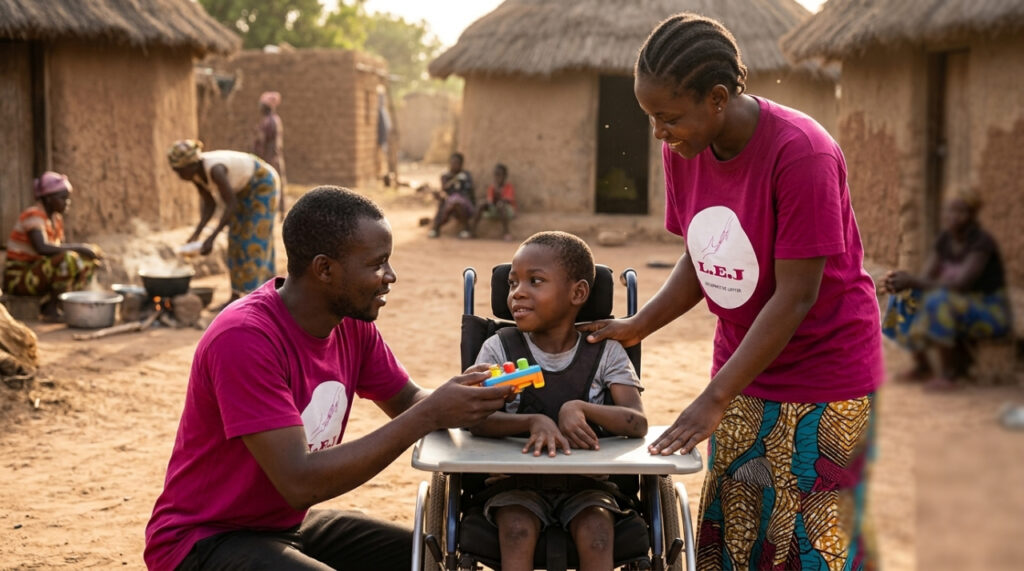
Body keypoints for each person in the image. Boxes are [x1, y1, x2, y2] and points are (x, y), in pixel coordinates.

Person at [580, 14, 883, 570]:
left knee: (813, 542)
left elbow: (796, 296)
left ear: (717, 98)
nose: (658, 134)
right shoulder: (684, 152)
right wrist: (639, 324)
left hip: (823, 372)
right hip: (745, 364)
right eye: (651, 118)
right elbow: (702, 256)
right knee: (738, 535)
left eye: (668, 118)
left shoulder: (801, 154)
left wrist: (714, 397)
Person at [144, 186, 513, 571]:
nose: (390, 276)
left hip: (282, 526)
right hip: (202, 540)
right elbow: (299, 482)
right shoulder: (244, 338)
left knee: (427, 560)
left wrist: (472, 397)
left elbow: (409, 401)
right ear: (324, 269)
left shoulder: (350, 325)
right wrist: (430, 415)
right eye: (376, 264)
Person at [469, 231, 646, 571]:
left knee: (597, 531)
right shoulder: (499, 348)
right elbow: (475, 419)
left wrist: (579, 408)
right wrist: (532, 421)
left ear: (578, 293)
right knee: (517, 529)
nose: (518, 292)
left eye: (535, 281)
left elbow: (637, 424)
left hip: (588, 484)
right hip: (514, 483)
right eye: (512, 283)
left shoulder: (606, 352)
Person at [881, 188, 1012, 390]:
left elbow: (960, 284)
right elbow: (924, 279)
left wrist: (911, 280)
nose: (953, 216)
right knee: (907, 296)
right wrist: (904, 282)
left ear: (972, 214)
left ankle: (950, 375)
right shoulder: (945, 240)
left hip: (989, 310)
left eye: (961, 211)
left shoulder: (981, 242)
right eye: (949, 211)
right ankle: (923, 365)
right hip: (959, 304)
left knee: (938, 300)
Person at [167, 139, 279, 308]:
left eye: (179, 170)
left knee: (253, 240)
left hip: (262, 183)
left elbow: (231, 205)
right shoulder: (196, 175)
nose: (178, 175)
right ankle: (236, 296)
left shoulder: (215, 170)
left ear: (190, 165)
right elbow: (210, 205)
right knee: (234, 239)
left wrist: (212, 237)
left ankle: (258, 298)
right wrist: (197, 234)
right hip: (240, 190)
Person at [2, 171, 103, 322]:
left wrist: (87, 253)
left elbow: (58, 249)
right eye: (63, 198)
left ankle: (64, 304)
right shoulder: (33, 215)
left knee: (88, 261)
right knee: (69, 259)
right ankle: (51, 309)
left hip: (37, 272)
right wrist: (80, 247)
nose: (67, 202)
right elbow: (42, 248)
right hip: (19, 278)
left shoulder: (56, 219)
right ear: (48, 199)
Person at [253, 91, 287, 215]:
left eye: (261, 105)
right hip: (273, 157)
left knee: (272, 183)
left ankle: (275, 212)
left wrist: (264, 158)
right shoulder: (272, 120)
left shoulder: (270, 122)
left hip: (270, 158)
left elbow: (265, 143)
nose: (259, 108)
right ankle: (279, 211)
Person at [428, 152, 475, 239]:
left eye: (457, 163)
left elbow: (469, 191)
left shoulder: (465, 176)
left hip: (464, 203)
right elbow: (444, 190)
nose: (454, 165)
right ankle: (436, 229)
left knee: (457, 204)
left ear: (461, 164)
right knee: (445, 204)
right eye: (453, 162)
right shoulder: (446, 176)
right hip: (449, 203)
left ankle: (466, 230)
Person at [471, 163, 517, 241]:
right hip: (495, 210)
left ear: (505, 176)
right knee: (482, 204)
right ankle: (472, 231)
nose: (497, 177)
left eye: (499, 175)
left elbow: (508, 200)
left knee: (501, 205)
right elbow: (490, 201)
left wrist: (499, 197)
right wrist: (490, 200)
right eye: (496, 175)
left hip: (506, 211)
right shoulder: (492, 187)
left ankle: (506, 233)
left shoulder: (508, 187)